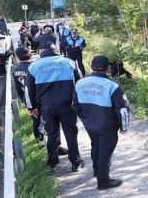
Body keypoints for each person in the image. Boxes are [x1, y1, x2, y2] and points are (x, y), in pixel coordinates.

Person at [73, 55, 129, 190]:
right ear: (108, 68)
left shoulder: (80, 83)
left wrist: (86, 118)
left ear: (91, 66)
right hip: (107, 126)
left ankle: (97, 171)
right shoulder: (113, 86)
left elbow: (75, 105)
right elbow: (122, 109)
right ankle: (103, 181)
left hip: (90, 125)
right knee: (105, 152)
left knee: (96, 146)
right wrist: (124, 127)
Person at [24, 41, 83, 171]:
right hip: (67, 106)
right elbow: (80, 84)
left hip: (47, 107)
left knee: (52, 134)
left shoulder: (34, 66)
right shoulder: (69, 62)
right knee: (71, 133)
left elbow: (28, 90)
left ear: (40, 51)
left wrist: (31, 107)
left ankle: (52, 162)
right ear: (55, 50)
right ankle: (76, 162)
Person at [14, 46, 69, 155]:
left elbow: (17, 87)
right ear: (29, 54)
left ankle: (40, 144)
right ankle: (56, 147)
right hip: (41, 99)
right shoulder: (34, 66)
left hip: (29, 100)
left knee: (37, 122)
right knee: (52, 124)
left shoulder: (16, 69)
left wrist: (24, 101)